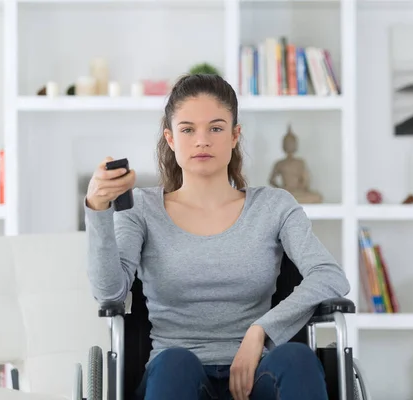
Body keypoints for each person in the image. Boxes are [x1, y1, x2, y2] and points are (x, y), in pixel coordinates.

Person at [84, 74, 350, 400]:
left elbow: (330, 276)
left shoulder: (274, 206)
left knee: (298, 359)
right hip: (174, 377)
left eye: (216, 127)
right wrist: (98, 209)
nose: (202, 140)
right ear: (170, 138)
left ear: (235, 135)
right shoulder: (141, 208)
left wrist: (260, 332)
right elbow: (109, 291)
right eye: (187, 129)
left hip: (259, 373)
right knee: (175, 364)